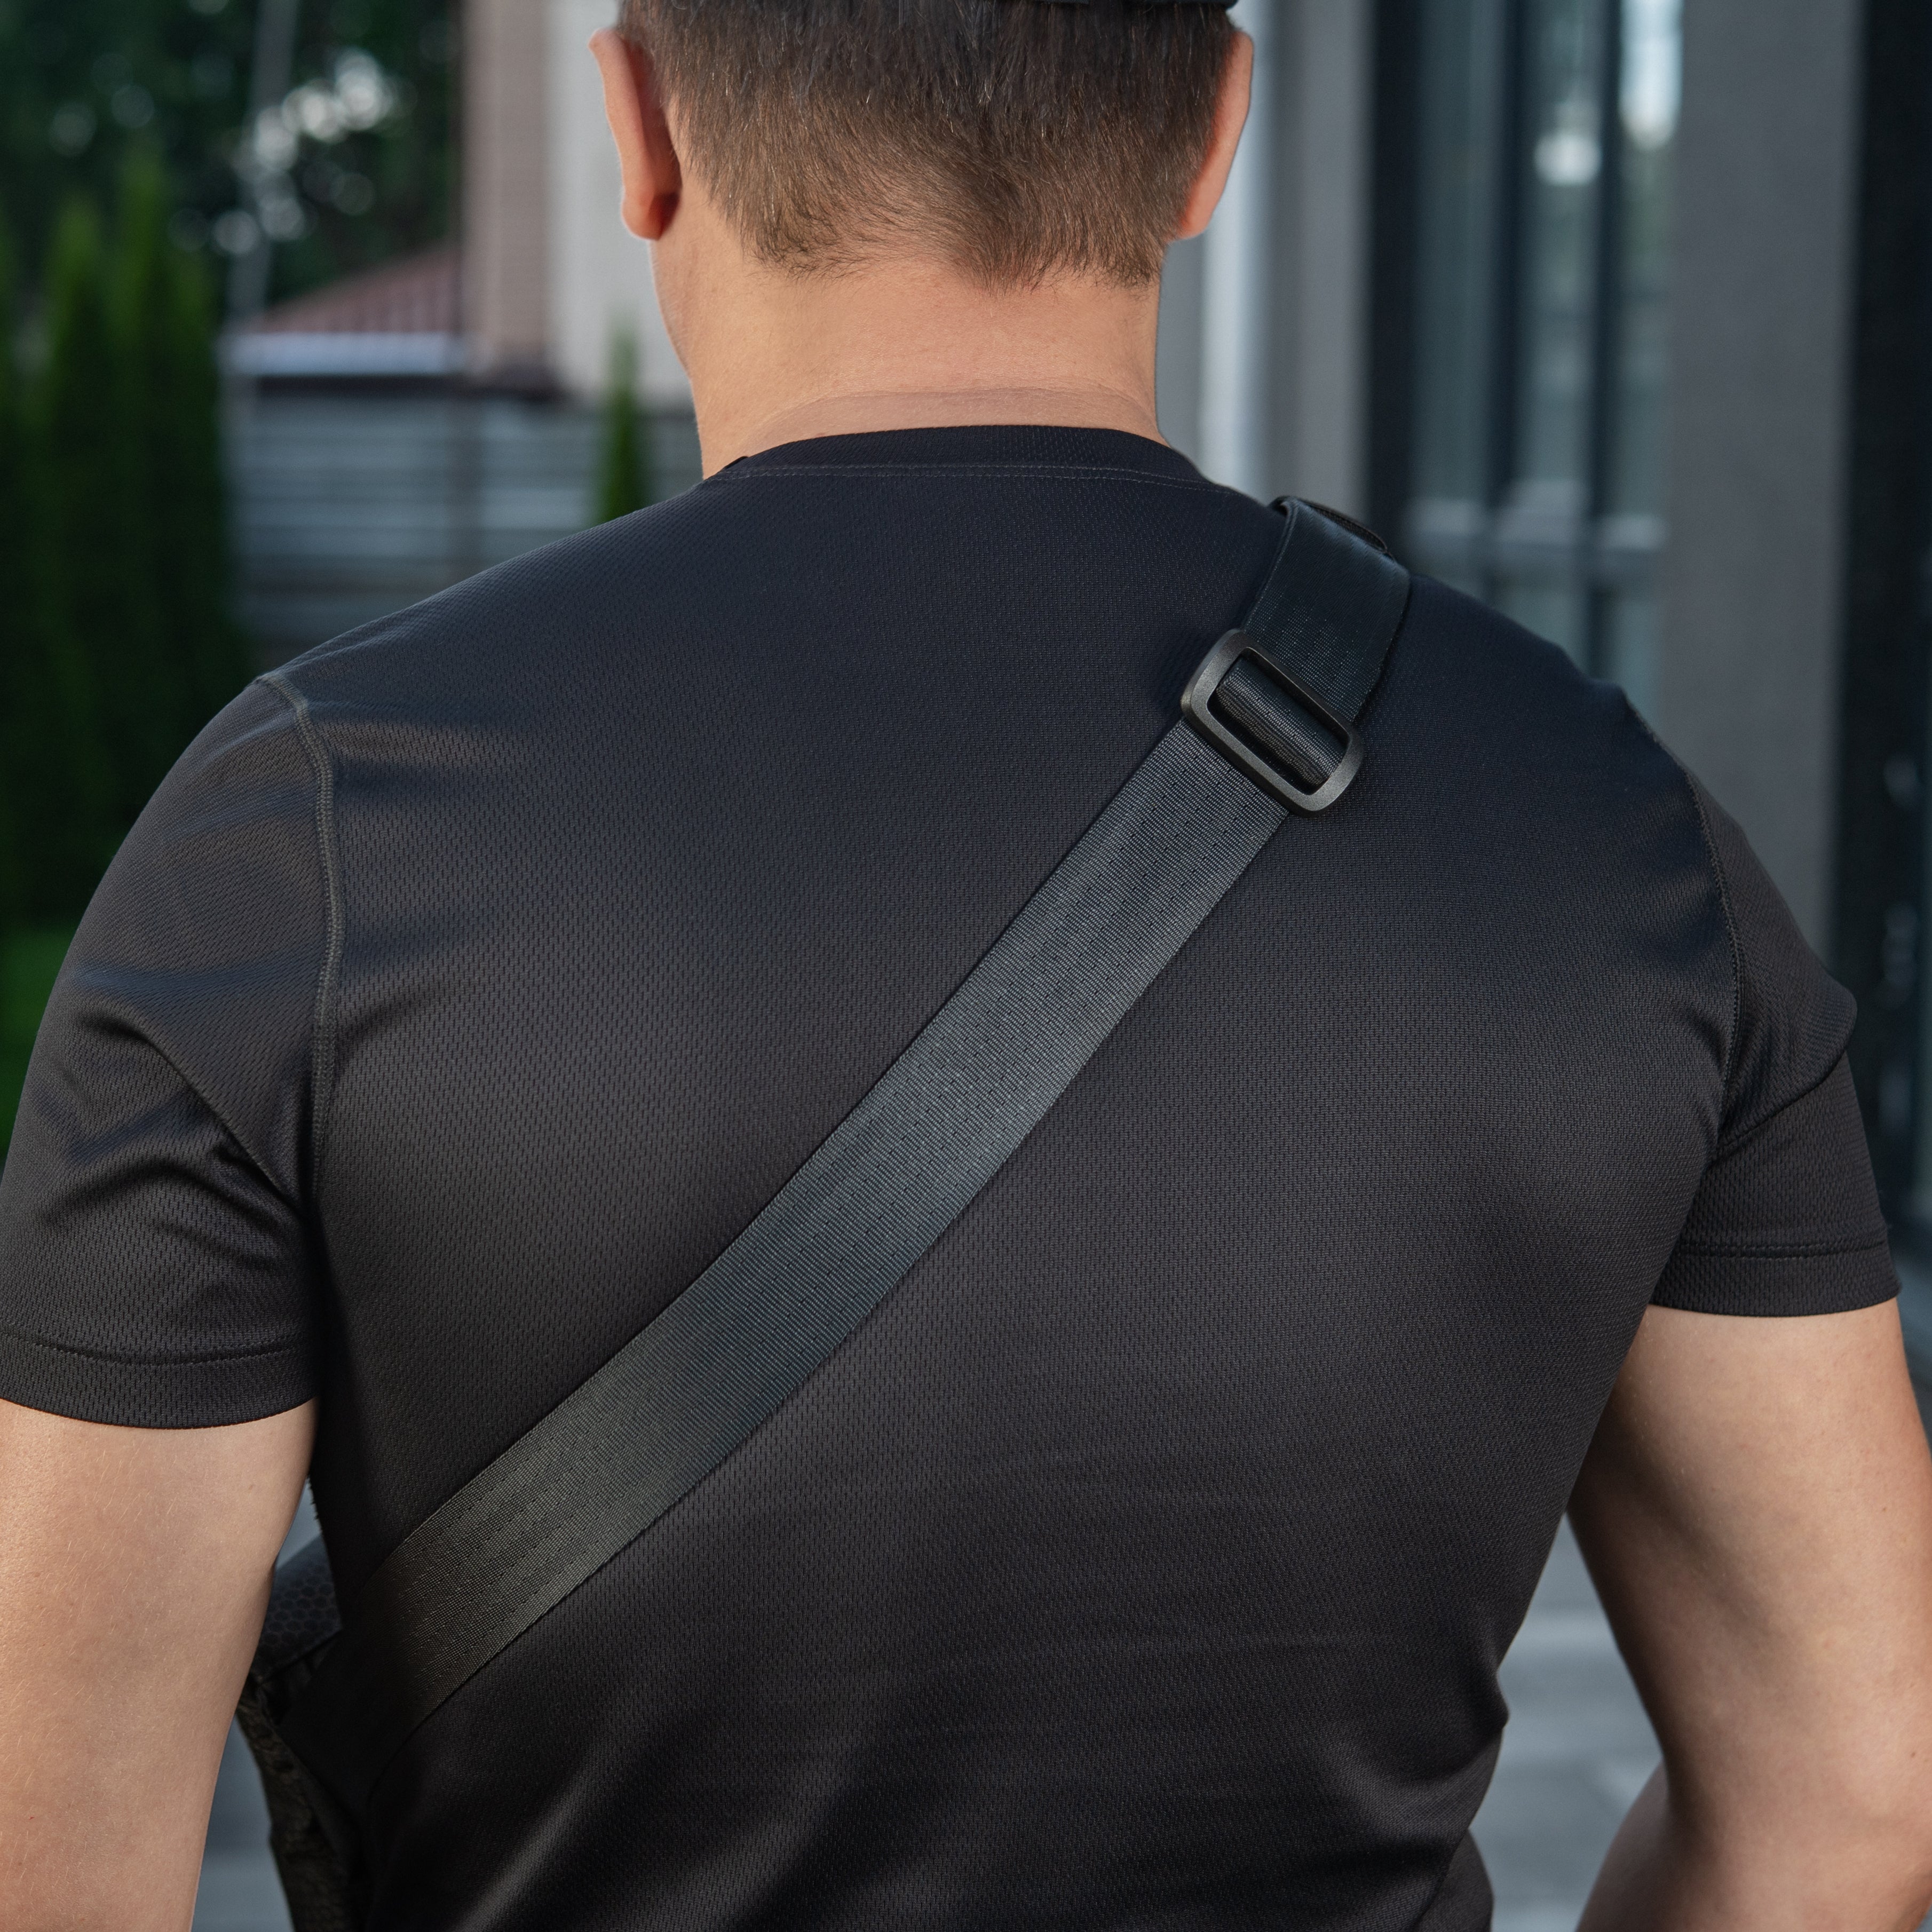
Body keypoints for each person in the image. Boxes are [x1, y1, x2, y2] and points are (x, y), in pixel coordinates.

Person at [3, 3, 1931, 1927]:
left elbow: (44, 1859)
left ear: (641, 125)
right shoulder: (1617, 833)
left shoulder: (308, 836)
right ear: (1215, 133)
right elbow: (1860, 1788)